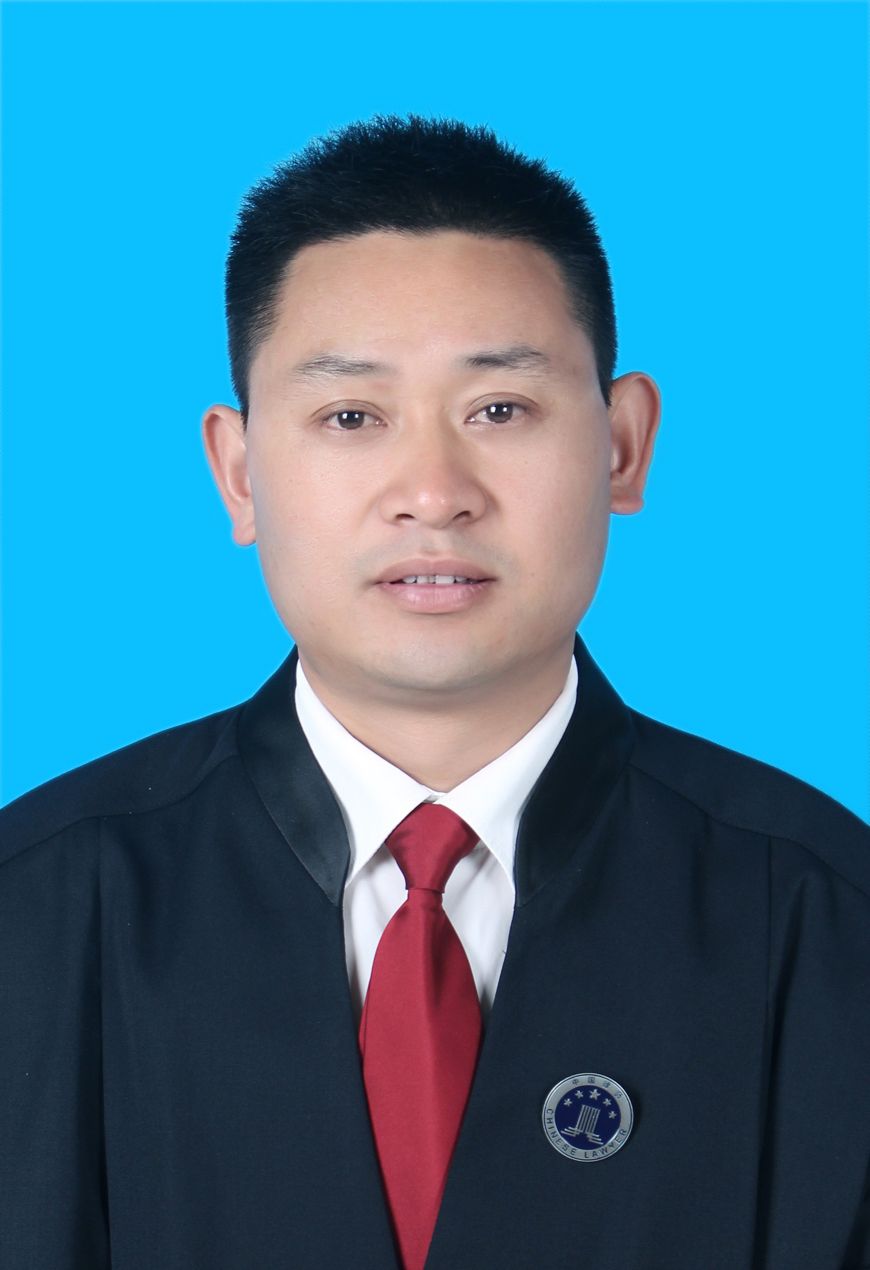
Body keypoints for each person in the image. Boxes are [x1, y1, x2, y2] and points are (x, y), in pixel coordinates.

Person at [1, 113, 868, 1270]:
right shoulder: (37, 909)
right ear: (239, 471)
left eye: (499, 409)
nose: (433, 490)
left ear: (621, 446)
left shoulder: (822, 914)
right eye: (352, 416)